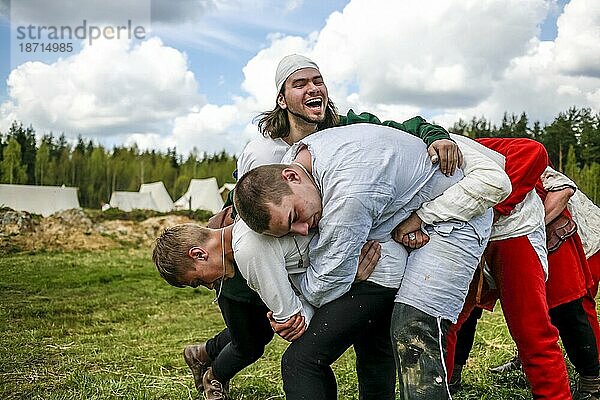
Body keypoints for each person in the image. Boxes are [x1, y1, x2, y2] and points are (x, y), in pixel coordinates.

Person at [233, 124, 511, 399]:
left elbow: (325, 284)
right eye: (290, 231)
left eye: (295, 218)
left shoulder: (349, 193)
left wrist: (305, 300)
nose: (304, 230)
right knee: (380, 333)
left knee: (414, 328)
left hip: (456, 217)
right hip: (404, 219)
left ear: (292, 176)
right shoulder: (303, 159)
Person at [153, 220, 382, 399]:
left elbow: (295, 322)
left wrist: (343, 275)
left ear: (199, 254)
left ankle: (213, 374)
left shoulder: (247, 251)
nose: (209, 285)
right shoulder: (246, 235)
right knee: (258, 342)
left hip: (374, 266)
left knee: (290, 357)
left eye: (198, 281)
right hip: (355, 269)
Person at [444, 138, 573, 400]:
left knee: (531, 330)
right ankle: (439, 388)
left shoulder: (457, 143)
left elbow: (533, 151)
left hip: (513, 232)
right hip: (465, 236)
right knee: (444, 321)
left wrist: (496, 208)